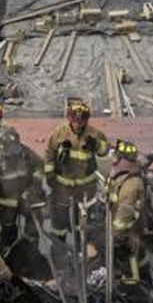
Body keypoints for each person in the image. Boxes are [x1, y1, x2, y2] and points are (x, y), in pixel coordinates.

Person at [43, 97, 111, 243]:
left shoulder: (95, 134)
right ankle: (59, 250)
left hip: (86, 189)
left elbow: (105, 152)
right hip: (62, 187)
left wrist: (97, 145)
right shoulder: (59, 133)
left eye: (82, 121)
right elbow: (49, 154)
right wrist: (50, 176)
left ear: (87, 120)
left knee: (84, 224)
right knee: (59, 223)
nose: (78, 124)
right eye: (75, 120)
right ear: (69, 118)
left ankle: (82, 251)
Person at [0, 126, 45, 251]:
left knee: (35, 218)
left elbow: (40, 166)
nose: (13, 152)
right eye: (9, 149)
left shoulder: (24, 152)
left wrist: (33, 188)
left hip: (24, 197)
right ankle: (7, 253)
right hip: (3, 204)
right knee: (8, 231)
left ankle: (30, 248)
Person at [106, 140, 149, 287]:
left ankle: (131, 292)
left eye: (117, 157)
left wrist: (107, 238)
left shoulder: (131, 186)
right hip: (127, 238)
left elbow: (122, 223)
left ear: (125, 160)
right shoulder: (123, 176)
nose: (114, 160)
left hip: (127, 242)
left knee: (129, 277)